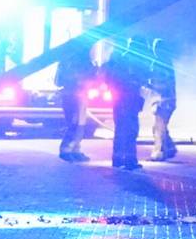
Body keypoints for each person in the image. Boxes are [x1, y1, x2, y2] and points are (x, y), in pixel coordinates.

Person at [102, 37, 148, 170]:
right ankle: (129, 160)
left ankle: (117, 159)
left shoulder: (120, 60)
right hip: (128, 100)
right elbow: (138, 79)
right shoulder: (132, 61)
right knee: (130, 130)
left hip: (120, 100)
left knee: (121, 129)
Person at [54, 39, 96, 163]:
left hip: (79, 95)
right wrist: (80, 78)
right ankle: (66, 150)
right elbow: (60, 80)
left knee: (80, 123)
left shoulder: (78, 61)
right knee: (74, 123)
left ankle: (75, 148)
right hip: (72, 95)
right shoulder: (70, 62)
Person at [147, 38, 178, 162]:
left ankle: (159, 152)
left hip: (164, 100)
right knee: (161, 126)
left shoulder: (160, 64)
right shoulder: (166, 62)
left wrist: (148, 84)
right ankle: (169, 148)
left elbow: (162, 83)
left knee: (158, 128)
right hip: (167, 99)